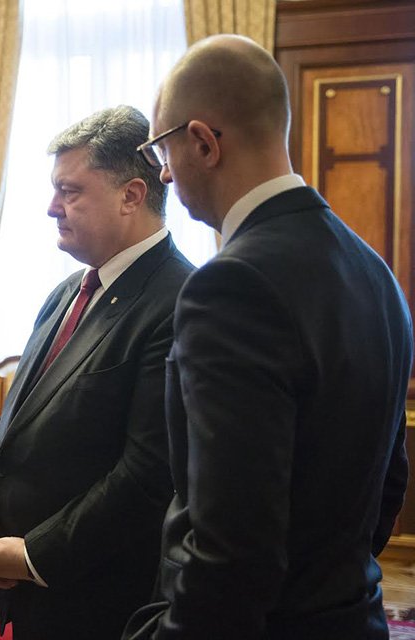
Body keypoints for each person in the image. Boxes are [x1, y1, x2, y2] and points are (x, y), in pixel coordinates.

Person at [123, 35, 412, 639]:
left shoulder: (230, 286)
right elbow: (388, 484)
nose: (165, 173)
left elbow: (231, 553)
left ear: (203, 142)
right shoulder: (375, 271)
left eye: (162, 151)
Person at [0, 105, 195, 639]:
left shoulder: (181, 299)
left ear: (131, 195)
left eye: (69, 191)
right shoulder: (67, 291)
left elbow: (148, 473)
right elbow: (12, 420)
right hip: (33, 587)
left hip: (103, 595)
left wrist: (35, 555)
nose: (52, 208)